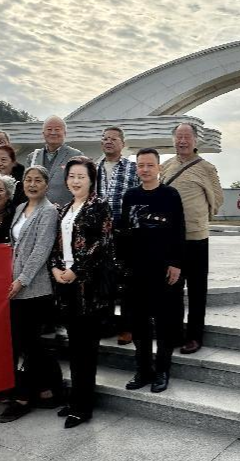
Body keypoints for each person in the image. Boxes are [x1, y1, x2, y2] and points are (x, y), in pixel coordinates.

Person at [50, 157, 113, 428]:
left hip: (88, 288)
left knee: (86, 349)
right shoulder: (65, 208)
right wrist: (56, 268)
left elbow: (102, 243)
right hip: (65, 285)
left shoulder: (99, 206)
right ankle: (75, 399)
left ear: (91, 180)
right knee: (74, 347)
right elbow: (56, 245)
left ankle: (83, 407)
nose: (75, 181)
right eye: (72, 176)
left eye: (81, 177)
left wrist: (76, 269)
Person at [0, 165, 63, 422]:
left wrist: (22, 280)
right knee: (24, 344)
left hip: (35, 289)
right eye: (28, 180)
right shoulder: (19, 208)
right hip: (14, 286)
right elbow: (14, 247)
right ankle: (47, 391)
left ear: (46, 185)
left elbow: (41, 251)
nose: (32, 184)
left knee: (30, 344)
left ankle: (24, 398)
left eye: (38, 180)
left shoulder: (49, 211)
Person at [119, 148, 185, 393]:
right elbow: (125, 232)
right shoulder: (130, 196)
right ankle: (143, 369)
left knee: (165, 322)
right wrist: (123, 265)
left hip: (164, 269)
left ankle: (162, 371)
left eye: (150, 165)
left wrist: (176, 263)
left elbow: (179, 230)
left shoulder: (170, 195)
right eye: (140, 165)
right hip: (136, 270)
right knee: (139, 323)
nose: (145, 169)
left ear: (159, 168)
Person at [159, 123, 223, 355]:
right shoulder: (166, 166)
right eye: (179, 137)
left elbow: (217, 199)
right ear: (173, 140)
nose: (182, 141)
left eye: (187, 137)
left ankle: (195, 337)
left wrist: (197, 217)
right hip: (170, 239)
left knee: (196, 290)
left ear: (196, 141)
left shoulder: (206, 168)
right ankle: (175, 334)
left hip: (196, 239)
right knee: (172, 288)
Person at [95, 126, 139, 345]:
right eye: (105, 138)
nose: (108, 142)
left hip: (125, 231)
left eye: (113, 139)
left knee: (127, 280)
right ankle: (107, 323)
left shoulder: (132, 168)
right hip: (100, 232)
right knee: (105, 278)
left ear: (122, 143)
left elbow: (140, 199)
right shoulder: (94, 168)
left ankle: (128, 327)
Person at [25, 116, 82, 208]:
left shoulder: (76, 156)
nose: (53, 132)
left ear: (65, 133)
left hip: (64, 210)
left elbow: (81, 187)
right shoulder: (33, 157)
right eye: (49, 129)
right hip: (36, 210)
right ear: (43, 134)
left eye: (57, 129)